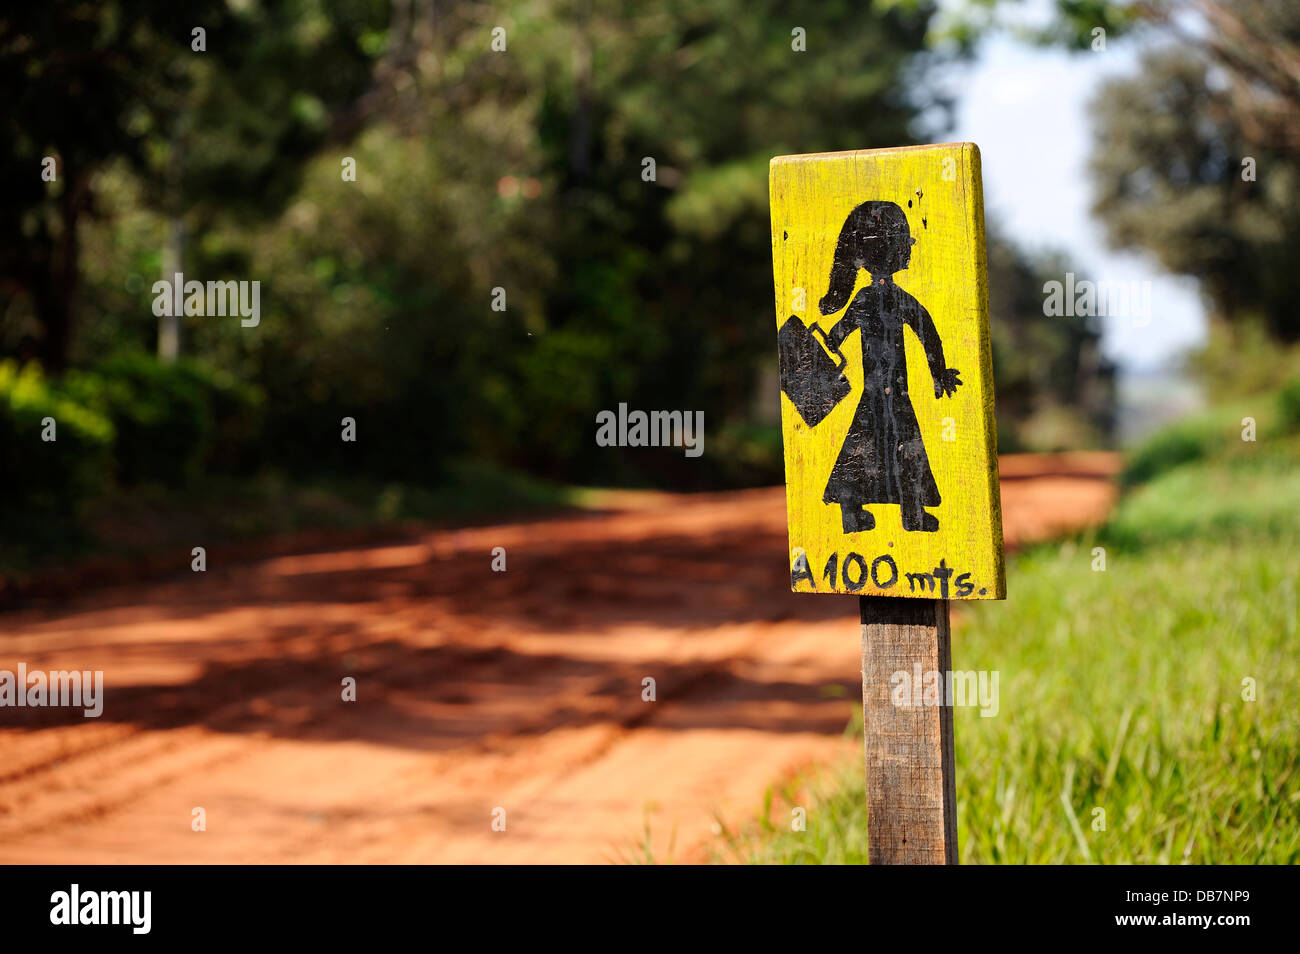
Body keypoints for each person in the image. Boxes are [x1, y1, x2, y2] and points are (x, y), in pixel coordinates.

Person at [816, 200, 961, 533]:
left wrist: (820, 353)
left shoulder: (870, 299)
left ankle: (864, 513)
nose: (909, 252)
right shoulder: (894, 299)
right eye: (904, 244)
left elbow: (837, 336)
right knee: (904, 451)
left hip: (878, 393)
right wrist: (938, 373)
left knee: (866, 450)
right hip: (892, 392)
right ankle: (906, 514)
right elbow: (929, 335)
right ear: (891, 251)